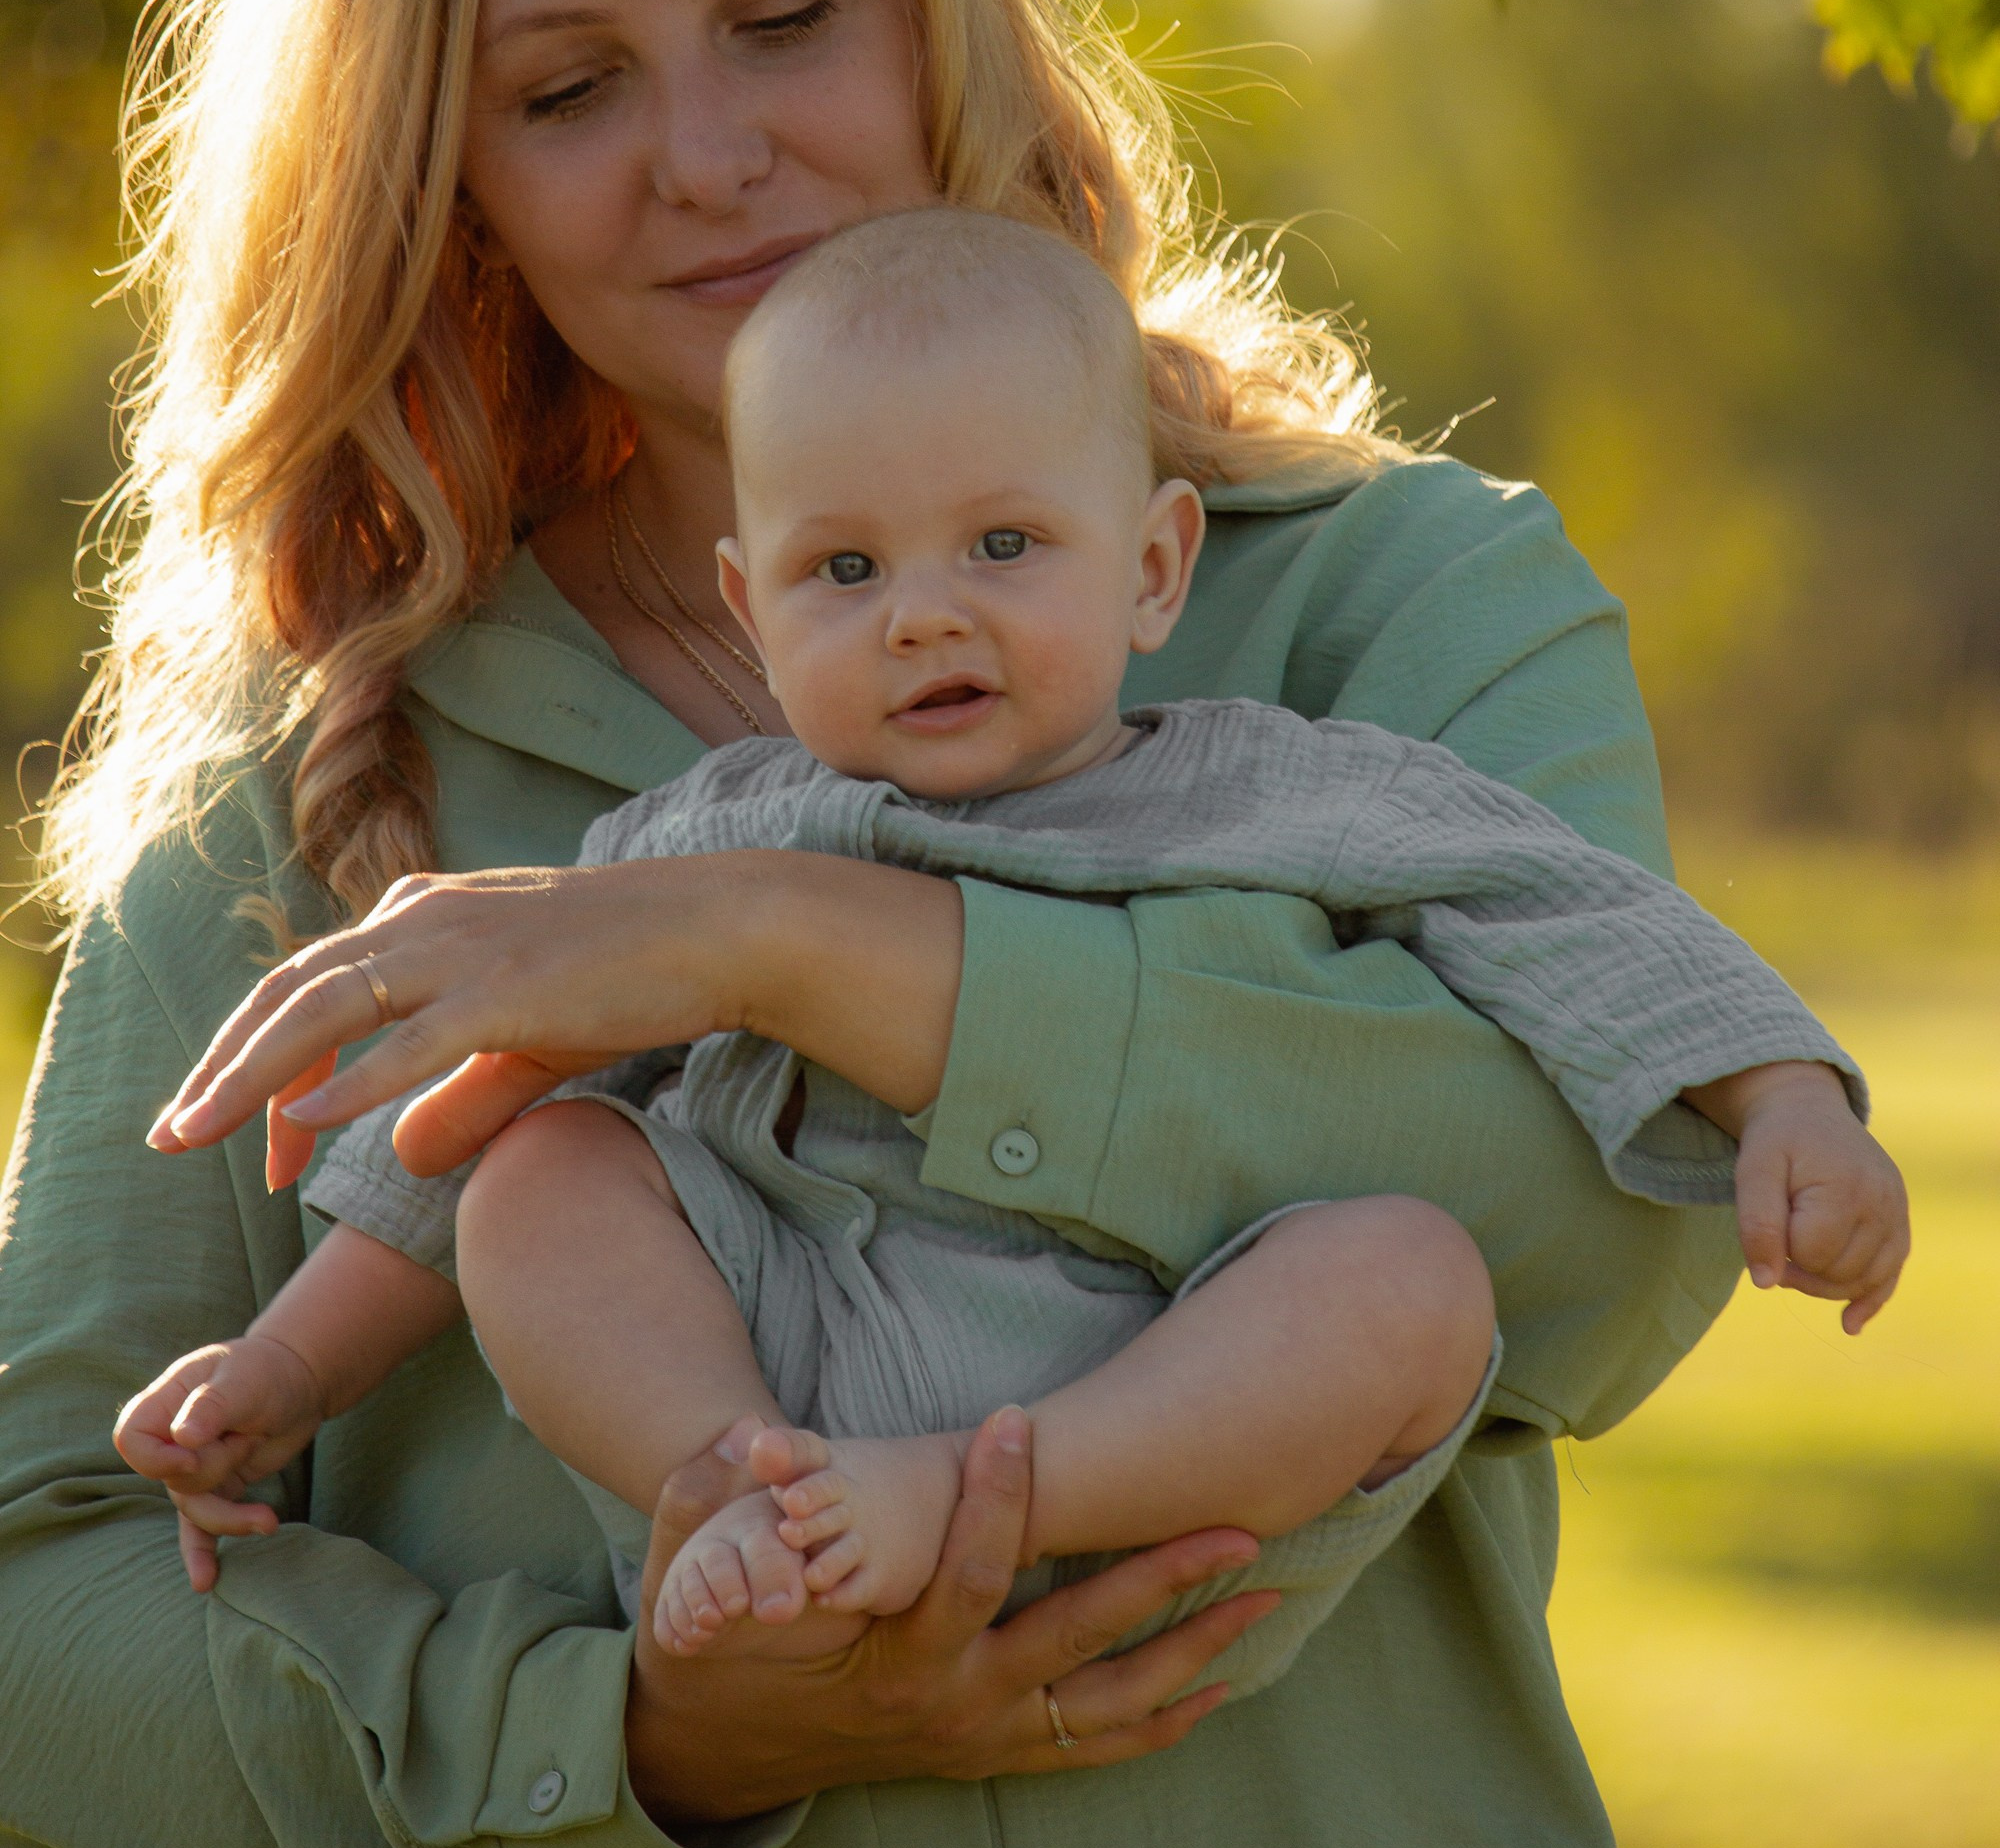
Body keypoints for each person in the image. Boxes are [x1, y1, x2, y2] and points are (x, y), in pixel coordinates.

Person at [0, 0, 1895, 1848]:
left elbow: (1595, 1224)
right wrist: (651, 1740)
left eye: (786, 17)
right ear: (446, 170)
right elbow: (41, 1581)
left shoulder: (1384, 610)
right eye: (566, 87)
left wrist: (784, 954)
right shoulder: (297, 785)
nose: (707, 151)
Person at [114, 212, 1903, 1696]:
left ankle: (976, 1499)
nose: (927, 612)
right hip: (791, 1343)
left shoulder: (1268, 784)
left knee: (1409, 1283)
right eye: (843, 570)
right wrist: (283, 1371)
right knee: (536, 1162)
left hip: (1144, 1387)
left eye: (1002, 544)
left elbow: (1567, 910)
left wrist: (1787, 1103)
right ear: (751, 606)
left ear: (1151, 566)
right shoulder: (705, 837)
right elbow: (443, 1129)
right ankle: (730, 1489)